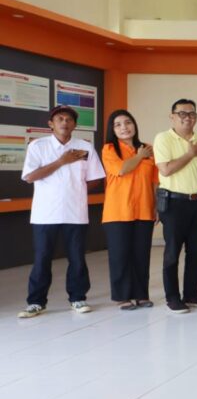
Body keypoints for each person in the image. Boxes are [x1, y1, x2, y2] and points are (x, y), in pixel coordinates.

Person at [18, 106, 105, 318]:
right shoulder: (38, 146)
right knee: (42, 258)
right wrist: (61, 161)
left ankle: (78, 298)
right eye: (60, 119)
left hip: (75, 212)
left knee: (77, 258)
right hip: (45, 214)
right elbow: (30, 176)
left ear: (74, 125)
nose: (65, 122)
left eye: (69, 120)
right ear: (51, 124)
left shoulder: (84, 147)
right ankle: (36, 302)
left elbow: (95, 177)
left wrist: (77, 189)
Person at [153, 99, 197, 313]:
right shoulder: (163, 138)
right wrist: (190, 154)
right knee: (172, 253)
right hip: (174, 203)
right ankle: (172, 297)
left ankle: (191, 295)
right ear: (172, 117)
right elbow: (166, 170)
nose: (187, 117)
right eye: (182, 113)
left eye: (192, 113)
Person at [101, 109, 159, 311]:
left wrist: (156, 206)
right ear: (113, 130)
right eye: (118, 125)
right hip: (117, 211)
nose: (124, 127)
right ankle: (122, 297)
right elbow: (121, 169)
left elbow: (154, 181)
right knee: (120, 255)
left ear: (134, 124)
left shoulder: (148, 148)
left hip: (144, 209)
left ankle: (141, 295)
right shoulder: (109, 149)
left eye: (128, 122)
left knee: (141, 254)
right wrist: (140, 156)